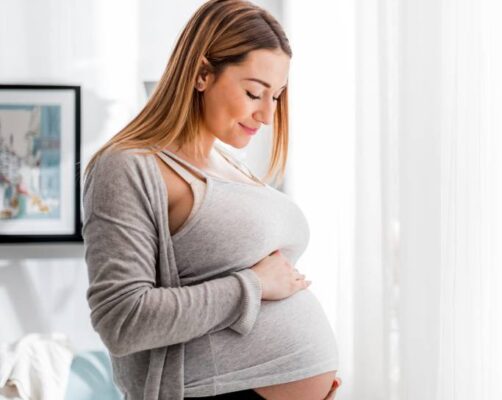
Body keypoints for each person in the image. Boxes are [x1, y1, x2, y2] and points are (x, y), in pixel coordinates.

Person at [82, 1, 341, 398]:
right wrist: (252, 286)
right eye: (254, 92)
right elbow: (122, 319)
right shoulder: (129, 167)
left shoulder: (228, 163)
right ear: (202, 73)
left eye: (277, 97)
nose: (267, 116)